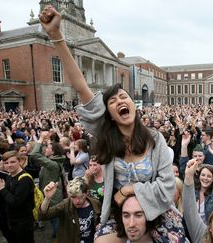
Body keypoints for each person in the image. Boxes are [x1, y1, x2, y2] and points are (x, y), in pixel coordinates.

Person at [39, 6, 181, 242]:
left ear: (134, 106)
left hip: (158, 212)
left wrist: (129, 189)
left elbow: (166, 189)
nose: (120, 101)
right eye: (113, 101)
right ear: (110, 114)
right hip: (119, 212)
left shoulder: (155, 139)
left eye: (124, 96)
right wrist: (56, 36)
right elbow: (81, 86)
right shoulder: (105, 133)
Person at [0, 151, 35, 243]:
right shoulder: (10, 175)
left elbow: (15, 202)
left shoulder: (24, 179)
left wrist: (1, 189)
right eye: (6, 163)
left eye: (13, 162)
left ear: (20, 162)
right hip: (13, 219)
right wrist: (0, 189)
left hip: (23, 221)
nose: (9, 165)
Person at [39, 177, 101, 243]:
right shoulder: (65, 205)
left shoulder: (95, 203)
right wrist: (47, 198)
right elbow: (43, 216)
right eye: (73, 197)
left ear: (86, 193)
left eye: (80, 196)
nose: (77, 201)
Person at [29, 131, 66, 238]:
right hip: (52, 196)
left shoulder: (52, 164)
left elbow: (35, 154)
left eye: (48, 148)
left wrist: (40, 139)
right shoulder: (53, 161)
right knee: (54, 220)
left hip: (53, 198)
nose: (46, 149)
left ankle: (60, 237)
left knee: (55, 221)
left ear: (53, 152)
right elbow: (39, 154)